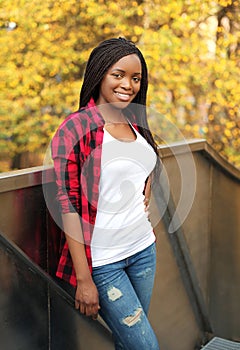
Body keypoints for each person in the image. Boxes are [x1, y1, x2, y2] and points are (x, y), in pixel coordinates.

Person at [51, 37, 160, 350]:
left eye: (136, 78)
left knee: (130, 345)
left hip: (143, 250)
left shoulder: (134, 120)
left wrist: (144, 194)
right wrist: (84, 280)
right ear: (99, 74)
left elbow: (145, 163)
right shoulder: (75, 128)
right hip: (104, 262)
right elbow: (68, 205)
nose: (128, 84)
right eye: (119, 75)